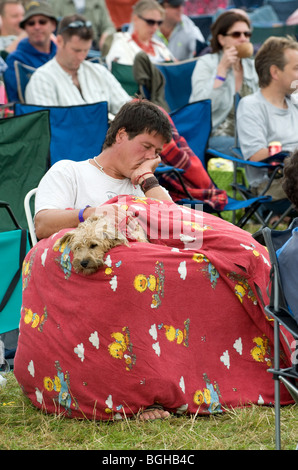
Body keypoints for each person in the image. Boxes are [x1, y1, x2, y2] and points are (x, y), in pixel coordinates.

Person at [34, 99, 173, 246]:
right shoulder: (69, 172)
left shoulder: (149, 187)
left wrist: (147, 178)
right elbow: (42, 225)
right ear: (121, 135)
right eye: (146, 146)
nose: (151, 157)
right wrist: (92, 214)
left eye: (157, 152)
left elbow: (178, 230)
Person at [25, 13, 131, 113]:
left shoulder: (100, 72)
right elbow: (46, 126)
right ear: (60, 41)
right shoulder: (41, 80)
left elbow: (127, 109)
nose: (81, 57)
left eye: (86, 50)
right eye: (76, 50)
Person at [236, 36, 298, 200]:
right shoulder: (250, 105)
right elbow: (256, 154)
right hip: (273, 182)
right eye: (296, 68)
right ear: (275, 72)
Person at [189, 10, 258, 155]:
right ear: (221, 39)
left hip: (251, 134)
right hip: (216, 134)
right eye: (236, 34)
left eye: (247, 34)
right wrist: (221, 70)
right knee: (251, 149)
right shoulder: (206, 63)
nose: (243, 39)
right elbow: (202, 107)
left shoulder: (252, 66)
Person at [4, 0, 57, 102]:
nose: (37, 27)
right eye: (31, 23)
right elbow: (17, 102)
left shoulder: (62, 56)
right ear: (25, 29)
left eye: (42, 22)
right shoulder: (15, 61)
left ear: (53, 25)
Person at [105, 0, 175, 70]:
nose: (155, 27)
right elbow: (122, 75)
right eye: (150, 22)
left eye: (159, 23)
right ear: (136, 19)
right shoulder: (121, 43)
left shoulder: (160, 46)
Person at [48, 0, 116, 52]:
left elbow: (109, 26)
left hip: (94, 47)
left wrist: (106, 36)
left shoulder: (98, 1)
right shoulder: (54, 2)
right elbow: (48, 26)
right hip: (67, 47)